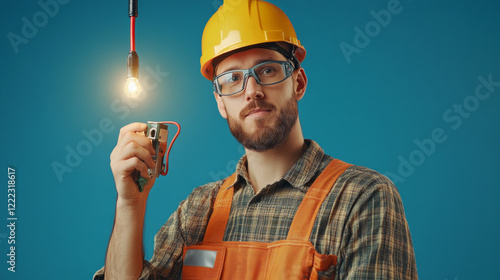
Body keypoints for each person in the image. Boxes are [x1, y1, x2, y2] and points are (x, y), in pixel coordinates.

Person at [94, 0, 417, 279]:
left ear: (298, 83)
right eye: (232, 78)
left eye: (267, 70)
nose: (252, 91)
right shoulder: (197, 210)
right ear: (221, 102)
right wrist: (130, 204)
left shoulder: (361, 198)